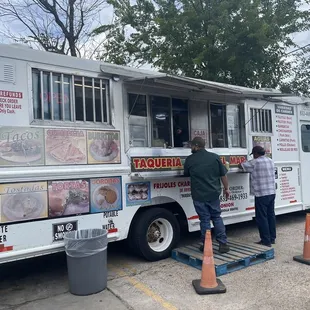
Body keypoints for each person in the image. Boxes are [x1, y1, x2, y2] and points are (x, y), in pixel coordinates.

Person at [184, 137, 230, 253]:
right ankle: (223, 244)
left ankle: (206, 246)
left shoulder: (190, 159)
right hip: (214, 193)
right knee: (217, 217)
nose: (191, 148)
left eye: (191, 146)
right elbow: (223, 175)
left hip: (199, 195)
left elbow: (186, 174)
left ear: (196, 146)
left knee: (204, 220)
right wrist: (227, 189)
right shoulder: (214, 157)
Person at [239, 146, 276, 247]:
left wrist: (245, 160)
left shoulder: (255, 162)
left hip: (261, 193)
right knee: (270, 215)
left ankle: (265, 240)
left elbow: (241, 166)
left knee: (262, 217)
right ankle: (272, 238)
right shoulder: (270, 160)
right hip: (271, 192)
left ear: (255, 153)